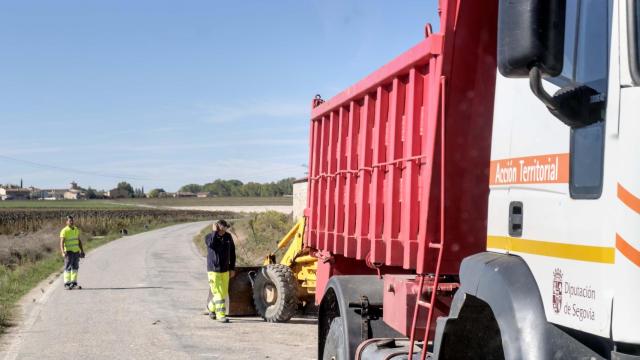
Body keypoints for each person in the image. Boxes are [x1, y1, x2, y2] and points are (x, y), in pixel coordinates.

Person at [205, 219, 236, 323]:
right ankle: (221, 315)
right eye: (222, 228)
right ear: (217, 227)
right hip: (213, 270)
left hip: (225, 270)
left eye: (225, 228)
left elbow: (232, 253)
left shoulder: (228, 237)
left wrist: (232, 268)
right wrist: (214, 232)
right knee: (218, 293)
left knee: (223, 293)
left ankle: (210, 307)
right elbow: (212, 245)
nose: (224, 230)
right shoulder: (209, 237)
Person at [59, 215, 85, 290]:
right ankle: (67, 283)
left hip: (76, 251)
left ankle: (74, 283)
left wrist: (82, 251)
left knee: (75, 268)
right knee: (68, 268)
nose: (71, 222)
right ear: (66, 222)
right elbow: (61, 242)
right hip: (68, 252)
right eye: (70, 221)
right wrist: (63, 252)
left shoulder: (76, 229)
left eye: (72, 220)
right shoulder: (64, 230)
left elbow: (78, 240)